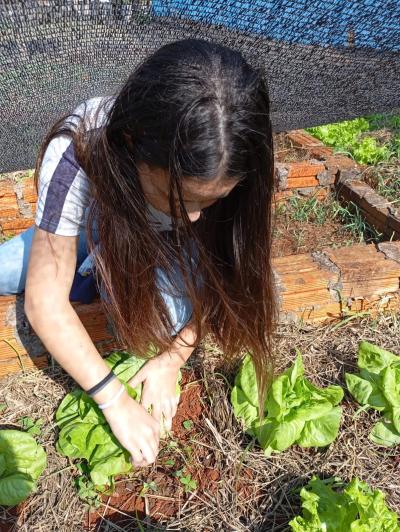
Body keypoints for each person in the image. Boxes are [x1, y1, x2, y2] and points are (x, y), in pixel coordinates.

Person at [0, 38, 278, 468]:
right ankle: (91, 270)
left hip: (166, 250)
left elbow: (230, 274)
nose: (198, 218)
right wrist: (113, 399)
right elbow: (43, 301)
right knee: (8, 269)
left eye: (213, 201)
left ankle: (97, 278)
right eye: (180, 198)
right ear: (132, 144)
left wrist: (173, 358)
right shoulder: (79, 151)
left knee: (159, 323)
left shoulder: (235, 168)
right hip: (90, 229)